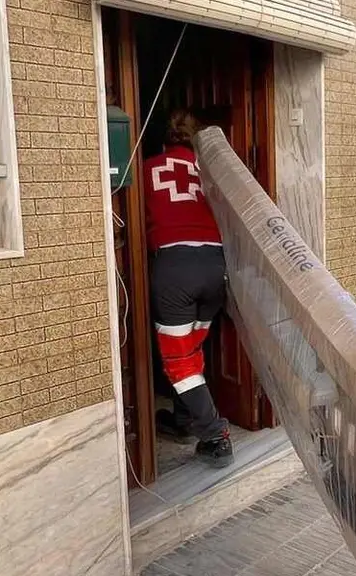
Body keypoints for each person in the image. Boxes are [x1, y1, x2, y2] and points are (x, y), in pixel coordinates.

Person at [143, 109, 232, 467]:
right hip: (215, 266)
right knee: (192, 348)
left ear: (165, 139)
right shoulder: (209, 172)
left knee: (179, 361)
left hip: (175, 268)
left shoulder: (148, 166)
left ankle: (215, 436)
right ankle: (184, 419)